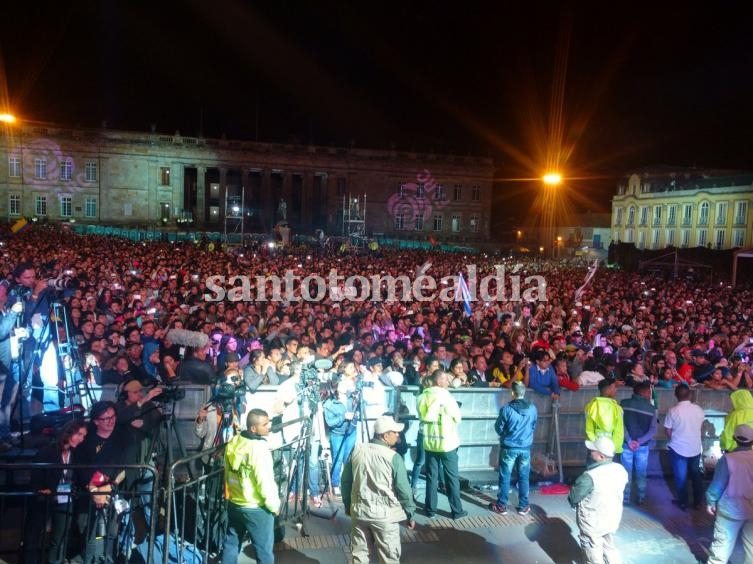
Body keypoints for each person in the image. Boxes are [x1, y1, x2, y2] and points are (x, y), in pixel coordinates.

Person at [341, 415, 416, 564]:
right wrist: (410, 513)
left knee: (359, 555)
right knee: (389, 558)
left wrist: (348, 504)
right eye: (394, 432)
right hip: (385, 517)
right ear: (385, 435)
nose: (398, 434)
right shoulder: (393, 457)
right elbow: (403, 490)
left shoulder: (357, 450)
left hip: (359, 512)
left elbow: (346, 481)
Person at [23, 418, 88, 564]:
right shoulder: (47, 451)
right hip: (44, 499)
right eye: (79, 434)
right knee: (32, 537)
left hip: (65, 498)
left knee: (60, 537)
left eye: (84, 436)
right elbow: (35, 477)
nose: (81, 439)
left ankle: (55, 561)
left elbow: (78, 475)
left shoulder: (76, 454)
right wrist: (42, 490)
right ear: (69, 432)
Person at [222, 408, 280, 564]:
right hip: (256, 507)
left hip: (235, 503)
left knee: (231, 545)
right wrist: (274, 506)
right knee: (264, 552)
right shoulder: (259, 448)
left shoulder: (235, 441)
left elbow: (227, 472)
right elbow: (264, 481)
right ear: (254, 428)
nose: (269, 426)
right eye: (265, 424)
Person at [568, 437, 628, 564]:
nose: (590, 452)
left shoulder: (590, 476)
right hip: (612, 518)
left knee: (593, 553)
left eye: (593, 450)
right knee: (609, 547)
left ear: (601, 456)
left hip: (593, 523)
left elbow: (574, 497)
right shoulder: (620, 470)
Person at [416, 369, 467, 519]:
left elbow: (421, 417)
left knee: (432, 477)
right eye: (445, 379)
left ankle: (430, 510)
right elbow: (457, 418)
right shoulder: (446, 396)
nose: (448, 381)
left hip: (430, 443)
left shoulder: (422, 396)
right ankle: (456, 511)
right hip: (447, 443)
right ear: (438, 381)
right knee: (452, 477)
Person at [705, 424, 753, 564]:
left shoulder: (728, 459)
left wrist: (710, 502)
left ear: (734, 438)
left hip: (730, 510)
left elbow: (717, 485)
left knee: (722, 545)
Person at [489, 380, 537, 516]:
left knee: (505, 476)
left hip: (509, 447)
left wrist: (506, 435)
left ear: (512, 393)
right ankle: (523, 506)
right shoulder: (532, 408)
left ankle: (501, 506)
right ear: (524, 391)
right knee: (524, 476)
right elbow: (533, 426)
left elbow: (498, 428)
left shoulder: (507, 409)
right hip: (525, 447)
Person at [664, 384, 705, 510]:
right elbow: (701, 428)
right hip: (695, 447)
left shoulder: (673, 410)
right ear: (689, 395)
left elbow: (668, 430)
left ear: (676, 396)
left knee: (680, 477)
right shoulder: (698, 409)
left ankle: (683, 503)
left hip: (678, 448)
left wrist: (676, 438)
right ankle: (698, 502)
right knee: (696, 475)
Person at [620, 381, 657, 505]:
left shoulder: (623, 404)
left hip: (627, 444)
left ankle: (625, 497)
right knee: (641, 472)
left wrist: (630, 440)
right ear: (643, 392)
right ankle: (641, 496)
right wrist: (639, 441)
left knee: (626, 472)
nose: (650, 395)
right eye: (649, 392)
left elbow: (620, 425)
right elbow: (653, 430)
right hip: (643, 446)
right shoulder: (651, 409)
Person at [323, 380, 357, 496]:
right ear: (336, 387)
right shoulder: (329, 403)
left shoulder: (351, 398)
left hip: (350, 432)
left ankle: (347, 484)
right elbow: (330, 422)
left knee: (348, 460)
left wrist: (355, 418)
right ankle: (335, 484)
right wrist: (344, 417)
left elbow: (357, 411)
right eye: (342, 384)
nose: (345, 385)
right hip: (337, 434)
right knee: (337, 460)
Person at [584, 378, 624, 460]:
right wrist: (615, 448)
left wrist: (595, 446)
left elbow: (589, 429)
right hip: (611, 449)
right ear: (608, 389)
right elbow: (618, 431)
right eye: (614, 387)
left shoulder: (590, 406)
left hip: (594, 448)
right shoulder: (617, 409)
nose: (616, 390)